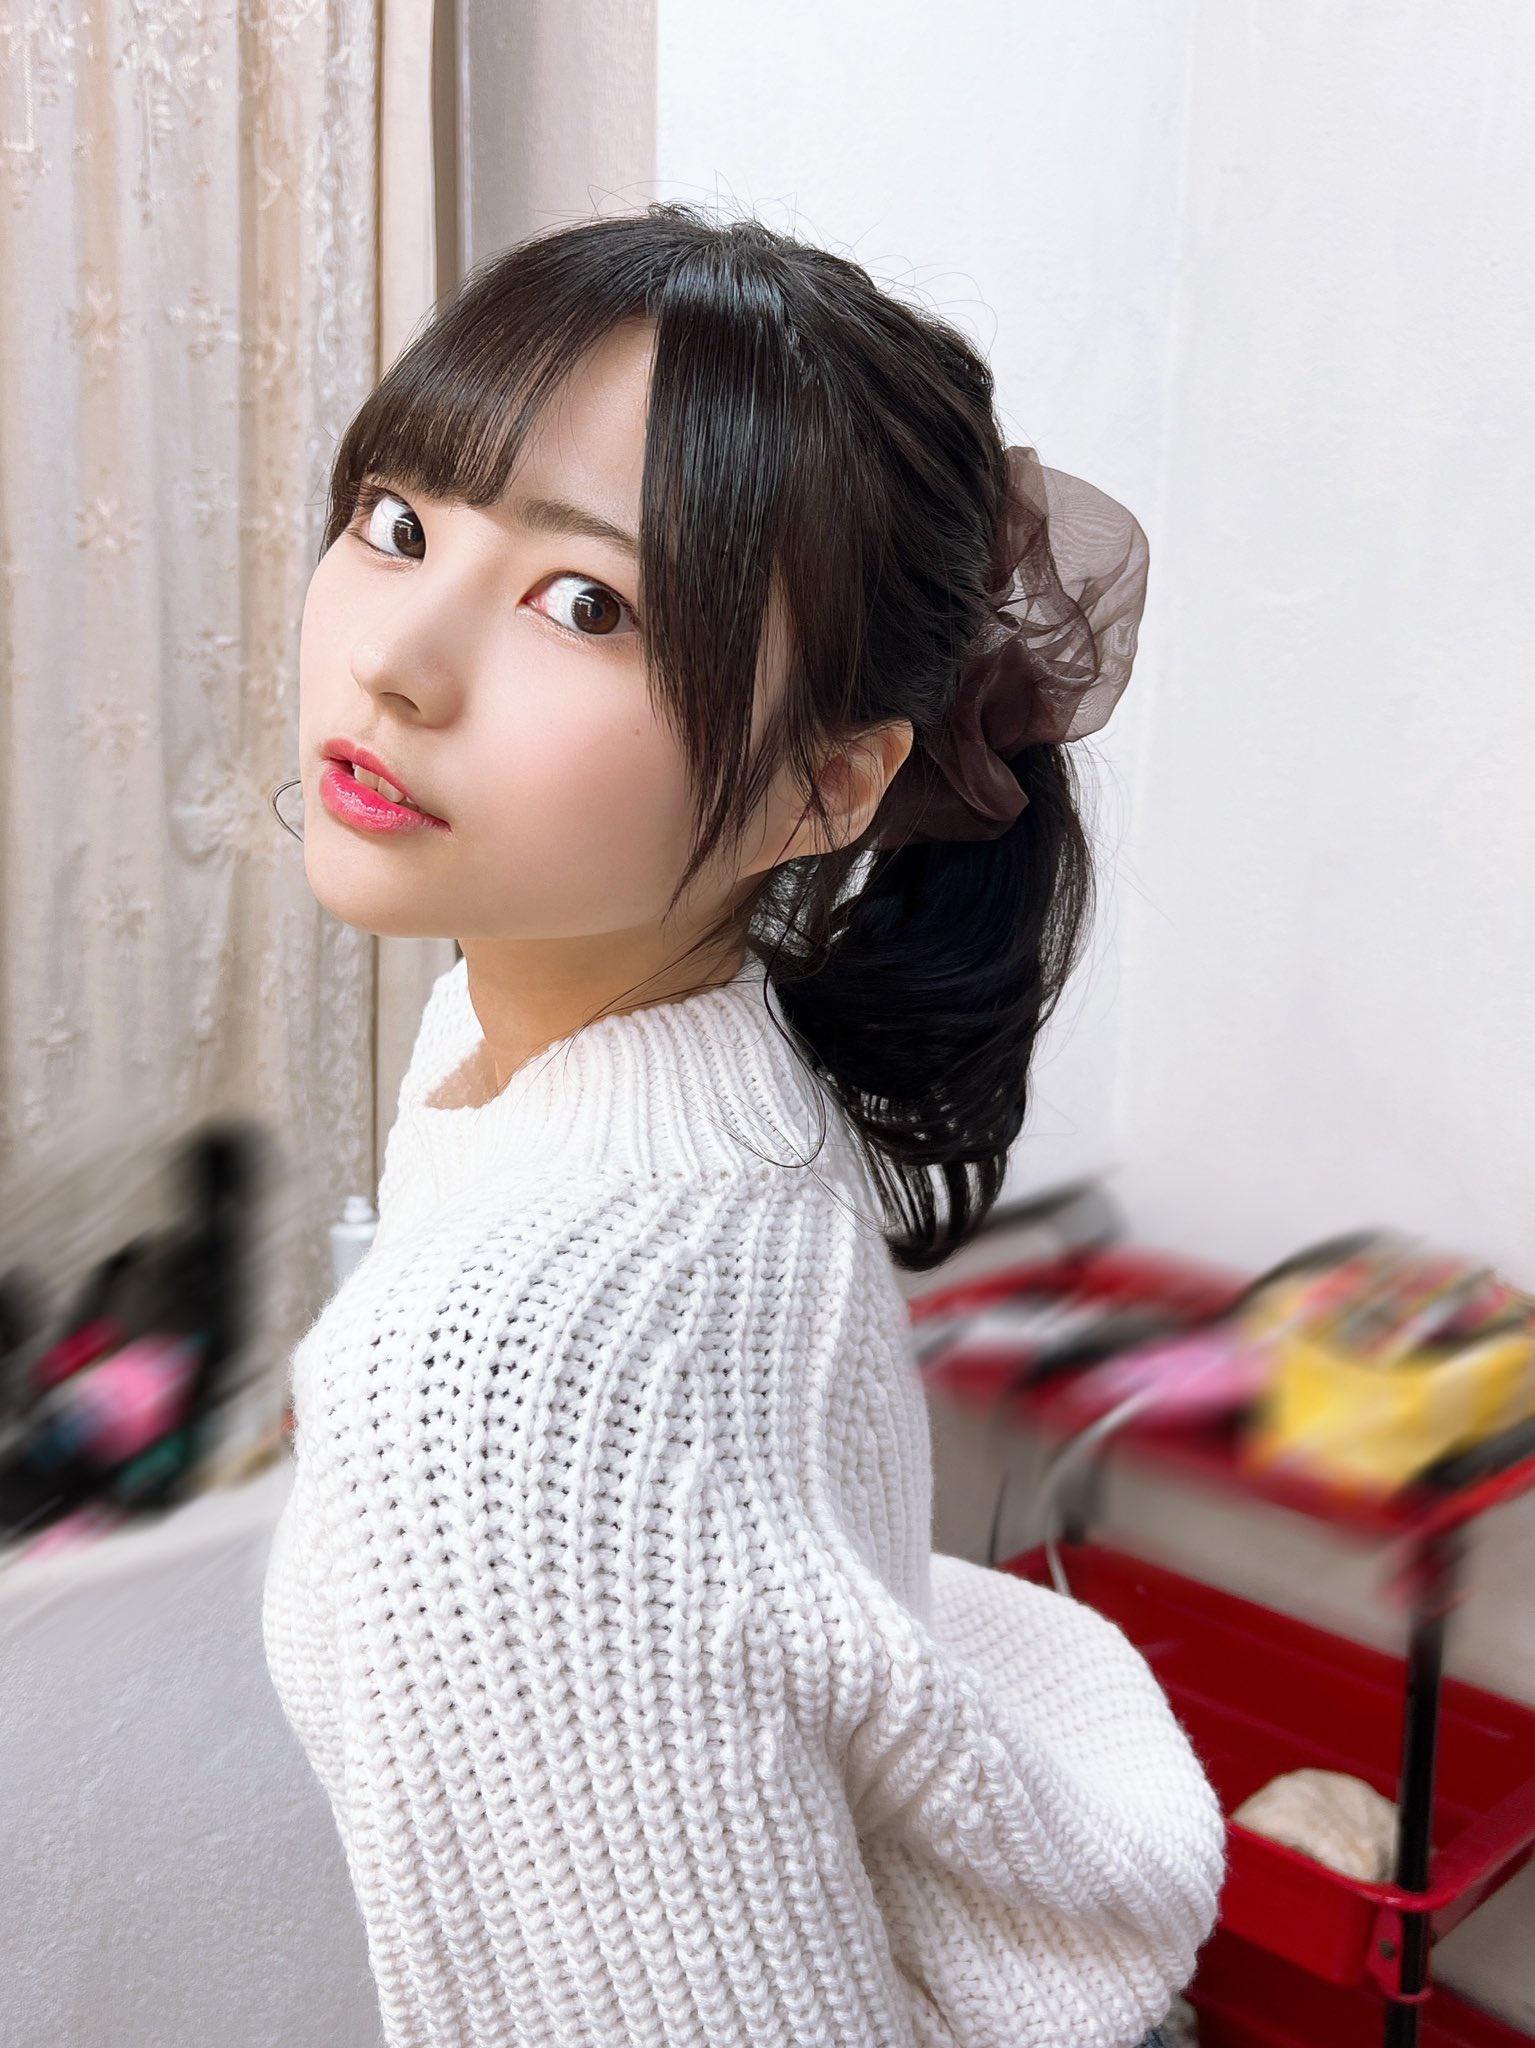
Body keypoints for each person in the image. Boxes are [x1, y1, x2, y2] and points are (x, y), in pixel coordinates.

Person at [262, 202, 1226, 2048]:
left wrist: (456, 1423)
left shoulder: (507, 1378)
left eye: (588, 604)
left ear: (825, 786)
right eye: (397, 521)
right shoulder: (632, 1044)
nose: (397, 659)